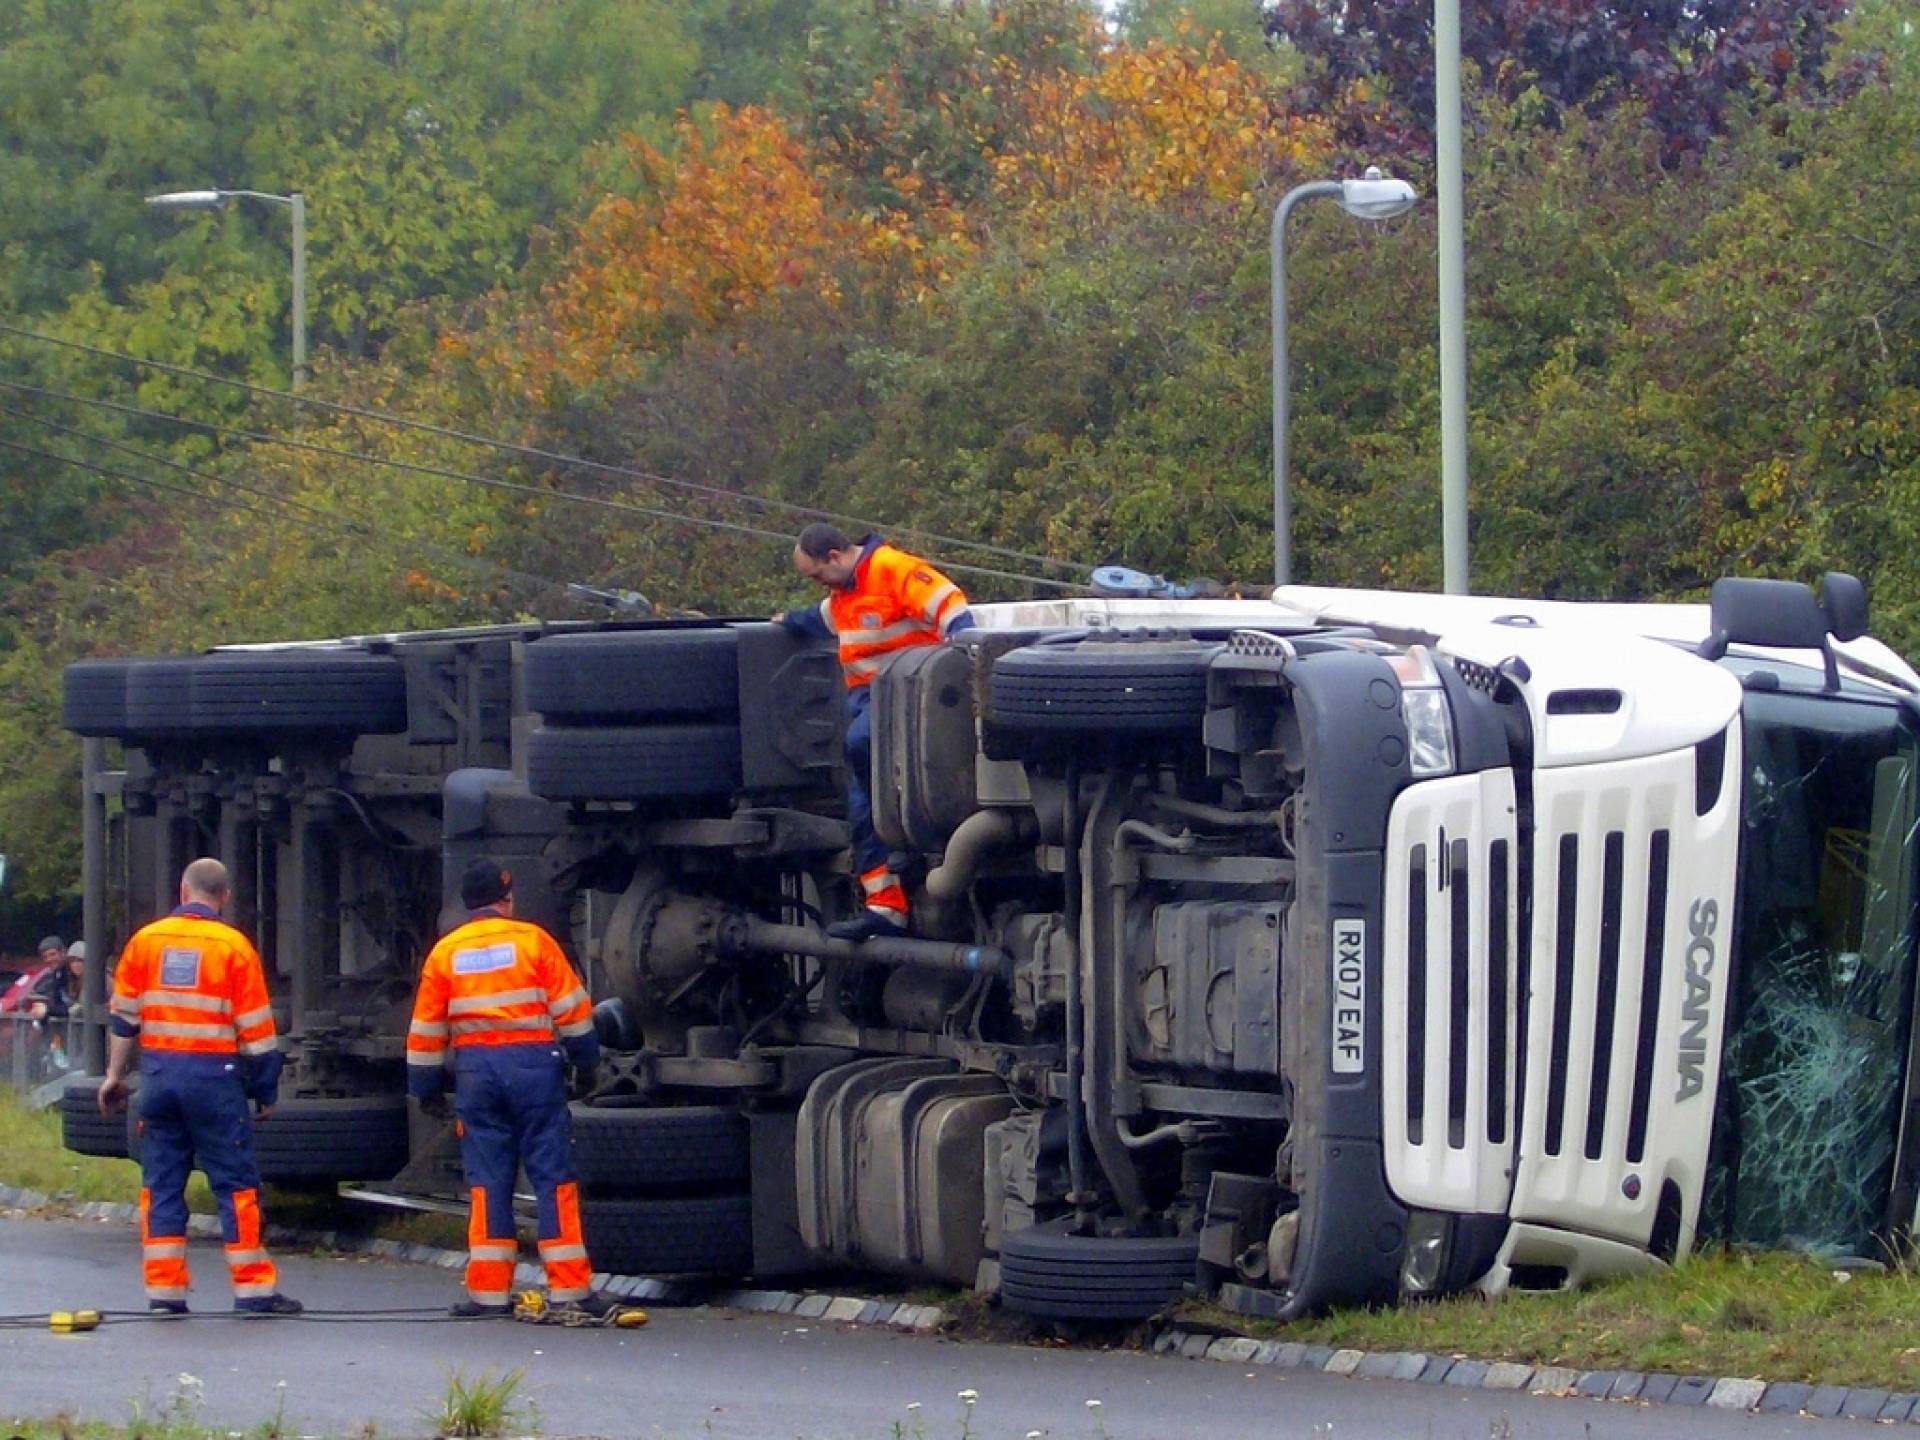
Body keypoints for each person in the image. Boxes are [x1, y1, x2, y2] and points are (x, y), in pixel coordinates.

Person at [406, 859, 613, 1320]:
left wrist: (426, 1087)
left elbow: (424, 1030)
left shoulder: (446, 952)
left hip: (476, 1074)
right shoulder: (533, 942)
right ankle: (570, 1290)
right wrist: (586, 1065)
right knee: (551, 1176)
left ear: (467, 903)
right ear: (506, 899)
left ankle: (488, 1293)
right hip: (533, 1067)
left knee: (487, 1180)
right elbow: (574, 1012)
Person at [97, 858, 300, 1315]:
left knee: (162, 1184)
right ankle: (253, 1290)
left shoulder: (145, 941)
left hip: (158, 1078)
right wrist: (265, 1091)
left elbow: (123, 1020)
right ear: (224, 896)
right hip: (214, 1081)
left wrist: (114, 1076)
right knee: (235, 1183)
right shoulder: (233, 947)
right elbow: (258, 1034)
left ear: (182, 890)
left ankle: (165, 1292)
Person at [774, 525, 974, 942]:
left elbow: (950, 605)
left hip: (907, 694)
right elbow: (819, 619)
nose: (816, 584)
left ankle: (904, 842)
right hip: (866, 699)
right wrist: (787, 621)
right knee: (860, 805)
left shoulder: (891, 569)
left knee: (862, 745)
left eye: (815, 574)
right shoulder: (841, 595)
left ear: (834, 556)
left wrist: (961, 651)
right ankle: (886, 906)